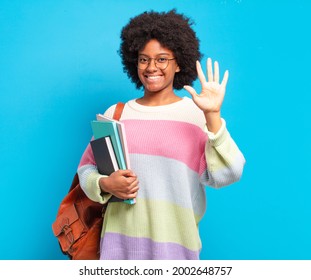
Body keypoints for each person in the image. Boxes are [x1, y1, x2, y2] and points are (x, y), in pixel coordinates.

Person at [77, 9, 246, 260]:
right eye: (144, 59)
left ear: (179, 63)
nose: (151, 67)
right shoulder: (116, 113)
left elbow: (228, 174)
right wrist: (105, 184)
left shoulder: (196, 116)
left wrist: (213, 115)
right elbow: (87, 169)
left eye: (162, 59)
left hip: (175, 254)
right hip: (117, 253)